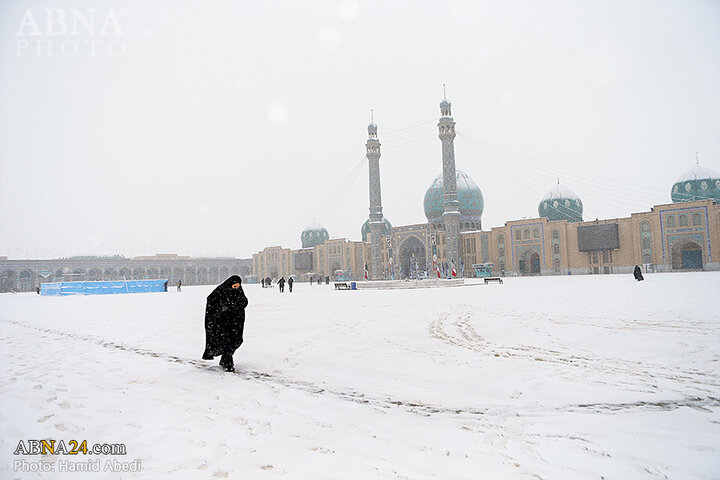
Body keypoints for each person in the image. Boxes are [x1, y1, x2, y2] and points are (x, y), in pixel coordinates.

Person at [202, 275, 248, 372]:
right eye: (234, 286)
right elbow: (211, 301)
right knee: (227, 342)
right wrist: (222, 309)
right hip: (223, 323)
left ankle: (224, 359)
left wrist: (235, 306)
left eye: (237, 286)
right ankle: (227, 363)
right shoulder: (220, 291)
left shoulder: (239, 291)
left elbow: (244, 302)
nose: (236, 288)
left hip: (235, 323)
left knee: (237, 341)